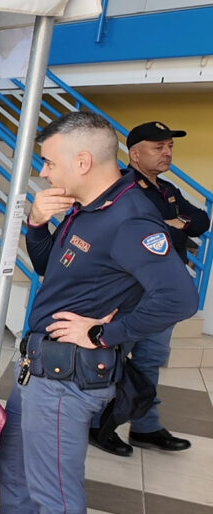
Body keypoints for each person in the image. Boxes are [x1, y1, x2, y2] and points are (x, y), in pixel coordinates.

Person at [0, 111, 196, 514]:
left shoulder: (130, 218)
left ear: (83, 160)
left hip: (68, 374)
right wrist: (36, 223)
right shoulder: (88, 207)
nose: (45, 172)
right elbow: (55, 270)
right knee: (20, 468)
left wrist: (103, 332)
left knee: (54, 484)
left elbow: (180, 298)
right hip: (42, 364)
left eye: (49, 162)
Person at [78, 121, 207, 456]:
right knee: (111, 356)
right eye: (158, 146)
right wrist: (175, 226)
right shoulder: (118, 186)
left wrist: (169, 226)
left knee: (150, 359)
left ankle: (146, 427)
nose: (167, 152)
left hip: (162, 291)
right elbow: (143, 234)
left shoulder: (167, 190)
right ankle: (96, 424)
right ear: (135, 154)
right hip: (129, 290)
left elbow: (202, 220)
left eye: (170, 146)